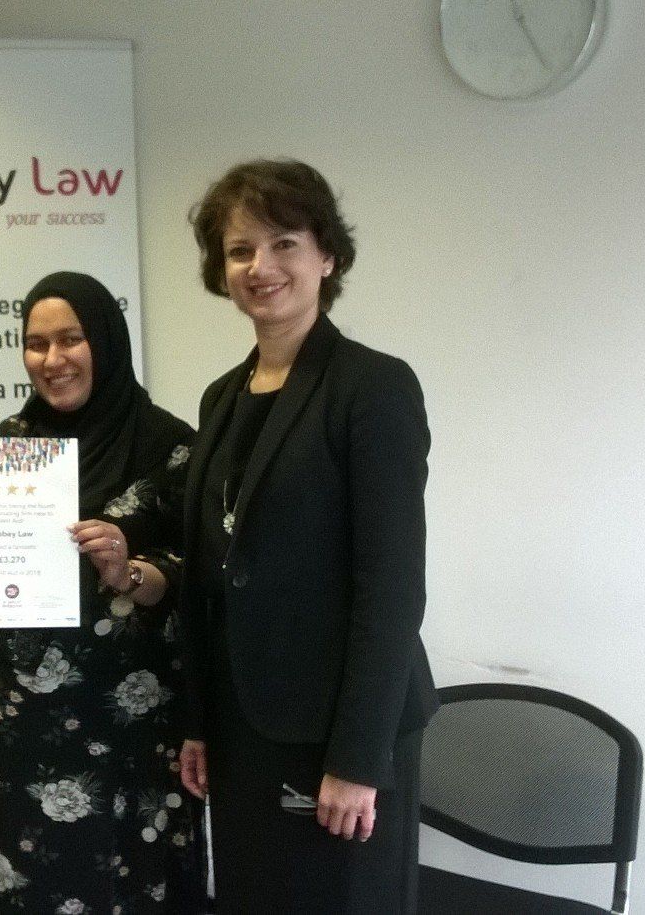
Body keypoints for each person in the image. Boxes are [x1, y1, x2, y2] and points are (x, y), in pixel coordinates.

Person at [176, 160, 437, 913]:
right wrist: (198, 720)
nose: (261, 267)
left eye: (284, 243)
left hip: (338, 734)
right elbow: (212, 569)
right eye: (239, 250)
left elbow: (390, 589)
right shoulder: (222, 396)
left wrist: (359, 759)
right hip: (243, 727)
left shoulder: (373, 388)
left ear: (327, 256)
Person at [0, 271, 203, 913]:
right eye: (36, 343)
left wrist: (132, 571)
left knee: (120, 882)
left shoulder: (170, 445)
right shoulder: (11, 443)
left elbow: (199, 575)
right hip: (14, 729)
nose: (53, 360)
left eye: (71, 339)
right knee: (20, 877)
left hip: (124, 727)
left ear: (105, 341)